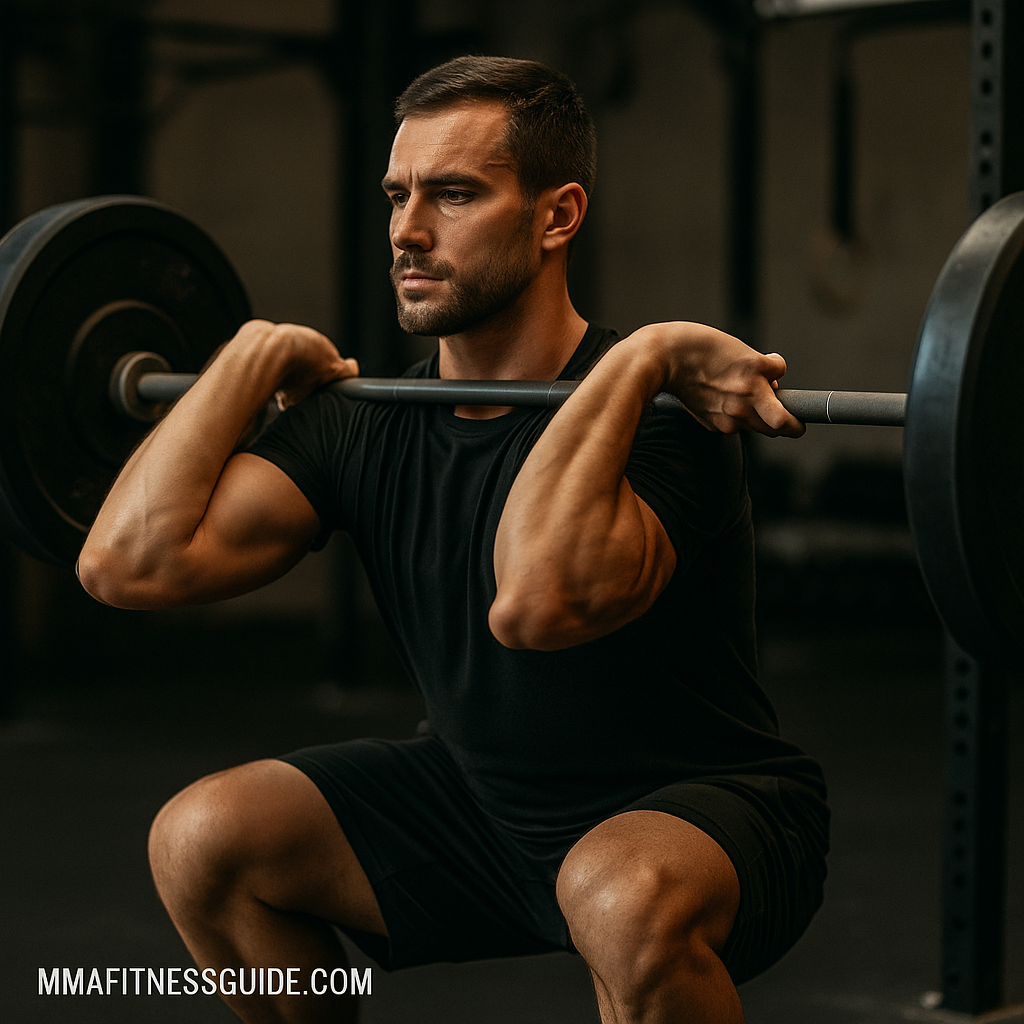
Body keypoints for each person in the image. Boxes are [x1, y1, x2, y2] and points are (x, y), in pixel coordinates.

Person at [78, 55, 829, 1024]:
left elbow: (535, 605)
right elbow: (127, 564)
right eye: (398, 195)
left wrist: (643, 358)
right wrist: (244, 361)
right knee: (204, 839)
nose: (407, 229)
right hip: (476, 802)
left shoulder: (668, 417)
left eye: (455, 194)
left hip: (700, 811)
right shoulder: (364, 420)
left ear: (557, 216)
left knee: (619, 892)